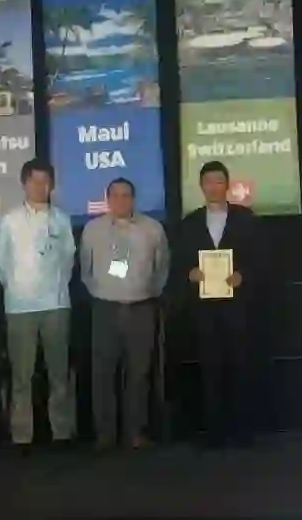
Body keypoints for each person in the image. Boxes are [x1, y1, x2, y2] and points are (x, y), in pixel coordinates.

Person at [0, 159, 76, 454]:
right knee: (21, 376)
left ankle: (61, 432)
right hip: (20, 306)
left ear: (52, 185)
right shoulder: (9, 220)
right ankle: (22, 436)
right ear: (24, 184)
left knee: (59, 373)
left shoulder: (62, 220)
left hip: (56, 304)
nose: (40, 187)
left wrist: (55, 286)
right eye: (35, 181)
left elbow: (68, 259)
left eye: (45, 181)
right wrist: (17, 286)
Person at [176, 161, 260, 449]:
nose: (213, 187)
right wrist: (190, 273)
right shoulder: (189, 223)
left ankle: (243, 430)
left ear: (227, 185)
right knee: (210, 369)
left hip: (239, 306)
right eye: (208, 182)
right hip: (204, 308)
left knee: (241, 366)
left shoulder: (246, 219)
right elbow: (179, 262)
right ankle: (215, 432)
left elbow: (263, 258)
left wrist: (244, 275)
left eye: (219, 181)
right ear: (201, 187)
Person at [80, 178, 169, 451]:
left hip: (141, 307)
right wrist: (102, 292)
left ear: (134, 199)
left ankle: (136, 433)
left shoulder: (153, 229)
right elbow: (85, 269)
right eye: (116, 196)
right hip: (105, 308)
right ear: (107, 199)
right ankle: (105, 435)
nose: (121, 200)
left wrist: (147, 292)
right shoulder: (92, 229)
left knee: (139, 374)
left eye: (126, 195)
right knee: (103, 374)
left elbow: (162, 267)